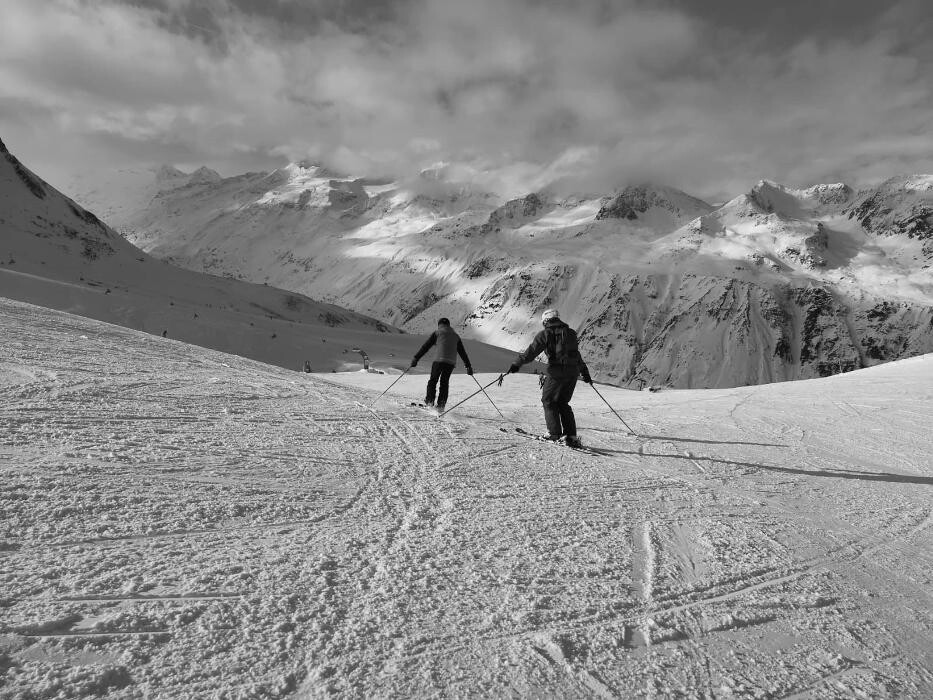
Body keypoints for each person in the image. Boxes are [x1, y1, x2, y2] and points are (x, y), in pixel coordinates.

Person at [508, 309, 592, 447]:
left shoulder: (546, 334)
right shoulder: (570, 333)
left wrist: (516, 364)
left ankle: (554, 434)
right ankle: (571, 436)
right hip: (572, 373)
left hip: (556, 372)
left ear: (546, 321)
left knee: (548, 400)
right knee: (563, 403)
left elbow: (531, 352)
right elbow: (576, 355)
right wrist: (585, 372)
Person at [411, 318, 473, 411]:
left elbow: (426, 347)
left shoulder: (437, 333)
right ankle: (441, 405)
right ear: (449, 325)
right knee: (444, 383)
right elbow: (462, 352)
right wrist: (468, 366)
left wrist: (416, 358)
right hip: (450, 363)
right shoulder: (456, 336)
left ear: (439, 325)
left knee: (433, 381)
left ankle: (429, 402)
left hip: (438, 360)